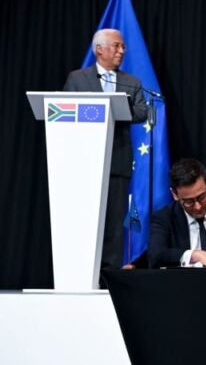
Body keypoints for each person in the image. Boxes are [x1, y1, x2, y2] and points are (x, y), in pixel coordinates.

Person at [63, 28, 147, 272]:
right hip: (84, 161)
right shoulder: (77, 79)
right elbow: (65, 110)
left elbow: (142, 112)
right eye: (116, 46)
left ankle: (107, 276)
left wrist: (116, 108)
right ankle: (81, 272)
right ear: (99, 49)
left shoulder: (131, 82)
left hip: (117, 161)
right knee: (84, 219)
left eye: (123, 47)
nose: (122, 51)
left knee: (113, 223)